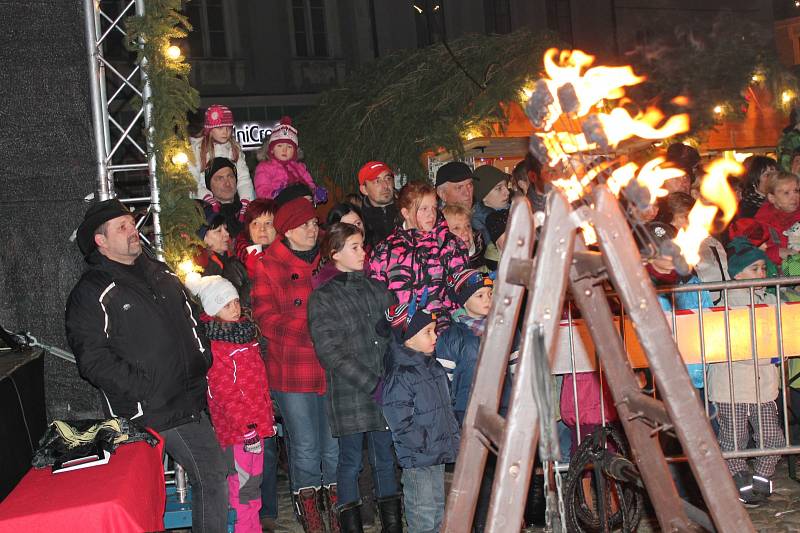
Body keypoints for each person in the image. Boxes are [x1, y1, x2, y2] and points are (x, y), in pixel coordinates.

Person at [65, 199, 228, 532]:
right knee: (200, 480)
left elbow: (191, 318)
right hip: (149, 408)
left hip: (189, 398)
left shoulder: (161, 271)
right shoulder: (92, 290)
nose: (132, 231)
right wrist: (142, 388)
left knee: (209, 478)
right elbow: (92, 359)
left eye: (132, 223)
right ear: (101, 240)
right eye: (121, 227)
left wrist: (202, 356)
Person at [251, 197, 339, 533]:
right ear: (287, 230)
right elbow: (265, 318)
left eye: (315, 224)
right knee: (304, 447)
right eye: (305, 225)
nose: (313, 229)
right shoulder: (267, 265)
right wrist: (313, 328)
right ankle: (312, 519)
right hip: (292, 369)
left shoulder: (328, 260)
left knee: (333, 445)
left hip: (330, 366)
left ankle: (336, 512)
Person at [308, 223, 402, 533]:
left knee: (385, 460)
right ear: (335, 253)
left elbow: (396, 336)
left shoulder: (378, 289)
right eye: (355, 247)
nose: (363, 252)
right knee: (350, 462)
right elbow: (330, 352)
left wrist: (392, 370)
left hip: (384, 389)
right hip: (351, 392)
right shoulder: (323, 298)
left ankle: (392, 526)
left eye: (363, 245)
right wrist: (372, 383)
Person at [186, 275, 276, 533]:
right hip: (239, 434)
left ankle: (252, 528)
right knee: (242, 489)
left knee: (253, 486)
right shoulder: (217, 347)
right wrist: (247, 428)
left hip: (256, 428)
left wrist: (264, 421)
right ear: (214, 310)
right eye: (227, 305)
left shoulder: (245, 337)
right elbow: (225, 393)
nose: (235, 307)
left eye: (236, 301)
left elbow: (256, 385)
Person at [707, 237, 784, 506]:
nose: (761, 274)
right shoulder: (726, 303)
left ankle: (762, 478)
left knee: (773, 436)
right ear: (737, 273)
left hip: (763, 386)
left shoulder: (772, 300)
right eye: (754, 269)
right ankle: (738, 477)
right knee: (734, 436)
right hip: (731, 386)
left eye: (763, 268)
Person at [381, 303, 460, 533]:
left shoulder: (433, 367)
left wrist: (450, 436)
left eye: (435, 330)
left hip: (436, 453)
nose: (435, 336)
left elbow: (447, 407)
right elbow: (399, 421)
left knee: (437, 511)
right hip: (418, 459)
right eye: (428, 331)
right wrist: (423, 443)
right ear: (407, 338)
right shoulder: (401, 374)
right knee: (422, 514)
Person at [368, 181, 468, 325]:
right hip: (403, 330)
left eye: (434, 208)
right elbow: (377, 297)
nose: (431, 214)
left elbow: (462, 292)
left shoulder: (451, 244)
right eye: (424, 209)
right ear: (405, 213)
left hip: (443, 329)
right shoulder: (385, 250)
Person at [658, 192, 729, 304]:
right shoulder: (661, 242)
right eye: (684, 217)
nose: (689, 221)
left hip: (710, 303)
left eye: (692, 216)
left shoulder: (707, 241)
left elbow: (723, 273)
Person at [253, 117, 327, 203]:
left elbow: (309, 188)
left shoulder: (300, 168)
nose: (284, 150)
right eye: (280, 146)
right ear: (272, 149)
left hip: (302, 207)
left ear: (295, 152)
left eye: (289, 147)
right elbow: (261, 191)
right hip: (278, 209)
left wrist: (316, 194)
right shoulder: (264, 167)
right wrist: (275, 194)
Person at [190, 104, 255, 202]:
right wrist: (205, 197)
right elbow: (192, 178)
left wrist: (246, 200)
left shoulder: (234, 148)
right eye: (220, 128)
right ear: (210, 129)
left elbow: (243, 178)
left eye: (228, 128)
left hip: (229, 200)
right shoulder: (198, 149)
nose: (225, 132)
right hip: (203, 203)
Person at [196, 210, 251, 307]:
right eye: (218, 231)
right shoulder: (202, 269)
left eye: (225, 229)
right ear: (203, 238)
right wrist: (254, 276)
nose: (227, 234)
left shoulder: (240, 253)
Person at [754, 171, 800, 266]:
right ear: (772, 198)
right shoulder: (762, 222)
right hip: (777, 276)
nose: (794, 197)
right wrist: (778, 253)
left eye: (796, 191)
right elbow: (751, 254)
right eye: (786, 193)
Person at [203, 157, 248, 237]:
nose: (227, 184)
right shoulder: (204, 218)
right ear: (209, 185)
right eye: (220, 178)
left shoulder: (249, 212)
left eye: (230, 176)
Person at [233, 198, 278, 276]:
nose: (262, 229)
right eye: (256, 223)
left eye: (268, 223)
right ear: (248, 229)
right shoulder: (235, 266)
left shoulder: (290, 255)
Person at [358, 161, 398, 247]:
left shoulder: (408, 209)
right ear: (364, 189)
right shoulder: (359, 221)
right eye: (377, 181)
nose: (385, 186)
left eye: (388, 179)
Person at [471, 165, 510, 247]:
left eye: (506, 186)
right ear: (484, 196)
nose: (507, 192)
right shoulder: (479, 227)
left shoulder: (511, 210)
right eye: (499, 188)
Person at [442, 204, 486, 271]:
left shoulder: (482, 251)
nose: (465, 232)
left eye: (468, 226)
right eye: (456, 228)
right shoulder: (441, 263)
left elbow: (487, 276)